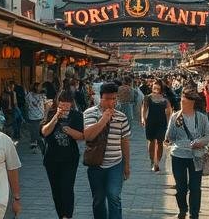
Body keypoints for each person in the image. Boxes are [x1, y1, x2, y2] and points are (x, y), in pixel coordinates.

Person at [82, 82, 132, 219]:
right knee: (98, 199)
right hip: (96, 164)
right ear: (100, 97)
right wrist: (104, 119)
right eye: (108, 99)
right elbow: (88, 135)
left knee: (113, 195)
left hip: (116, 164)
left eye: (114, 99)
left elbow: (125, 142)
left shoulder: (121, 117)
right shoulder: (90, 113)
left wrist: (127, 165)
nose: (111, 102)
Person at [166, 91, 209, 219]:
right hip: (178, 155)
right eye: (181, 102)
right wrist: (173, 126)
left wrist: (200, 142)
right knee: (181, 187)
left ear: (192, 103)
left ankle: (194, 214)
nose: (182, 105)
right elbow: (169, 137)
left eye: (184, 102)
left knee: (195, 187)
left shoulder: (201, 117)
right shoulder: (175, 116)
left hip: (196, 156)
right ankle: (182, 209)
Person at [42, 90, 86, 219]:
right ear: (57, 102)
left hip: (70, 158)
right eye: (62, 105)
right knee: (56, 190)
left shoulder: (77, 115)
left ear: (71, 104)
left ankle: (68, 216)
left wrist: (69, 130)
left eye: (67, 105)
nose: (65, 108)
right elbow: (44, 132)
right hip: (51, 159)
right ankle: (61, 215)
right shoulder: (50, 113)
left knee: (67, 188)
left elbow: (81, 136)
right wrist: (55, 118)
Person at [141, 81, 173, 172]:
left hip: (162, 122)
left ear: (161, 89)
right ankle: (152, 160)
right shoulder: (148, 97)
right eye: (154, 88)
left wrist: (168, 123)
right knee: (151, 141)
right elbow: (144, 108)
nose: (156, 89)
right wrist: (143, 118)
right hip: (150, 122)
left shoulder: (165, 99)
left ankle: (157, 162)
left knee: (160, 142)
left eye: (158, 88)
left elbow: (169, 111)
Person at [25, 83, 47, 153]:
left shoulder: (42, 95)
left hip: (41, 116)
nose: (40, 88)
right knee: (35, 133)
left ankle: (36, 145)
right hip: (32, 117)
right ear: (35, 87)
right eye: (39, 87)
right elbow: (27, 104)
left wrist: (45, 115)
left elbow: (45, 104)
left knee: (39, 133)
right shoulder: (29, 95)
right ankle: (42, 147)